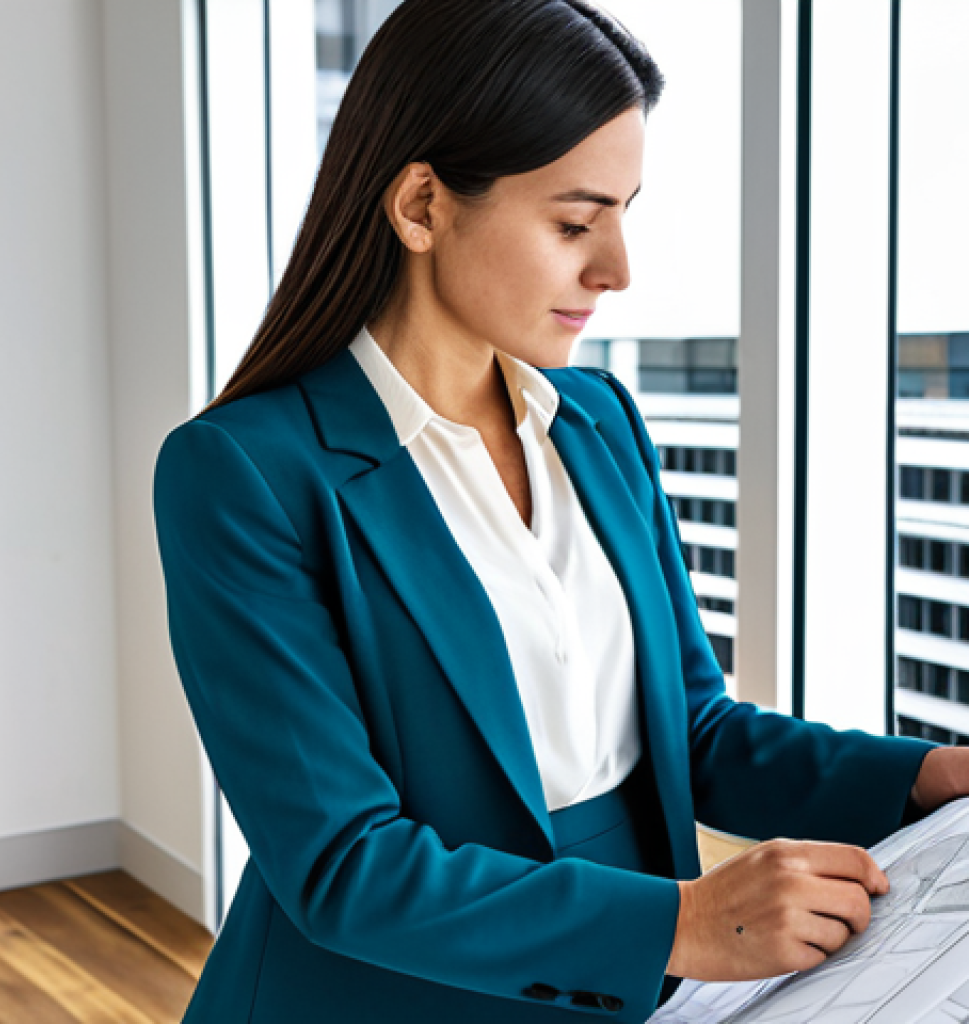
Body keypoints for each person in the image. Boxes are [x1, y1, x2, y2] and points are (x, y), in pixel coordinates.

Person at [152, 1, 969, 1021]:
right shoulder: (241, 471)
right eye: (574, 222)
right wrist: (681, 923)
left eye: (624, 214)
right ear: (420, 205)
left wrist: (928, 776)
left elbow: (694, 730)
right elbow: (339, 861)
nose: (616, 269)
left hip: (625, 994)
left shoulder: (596, 419)